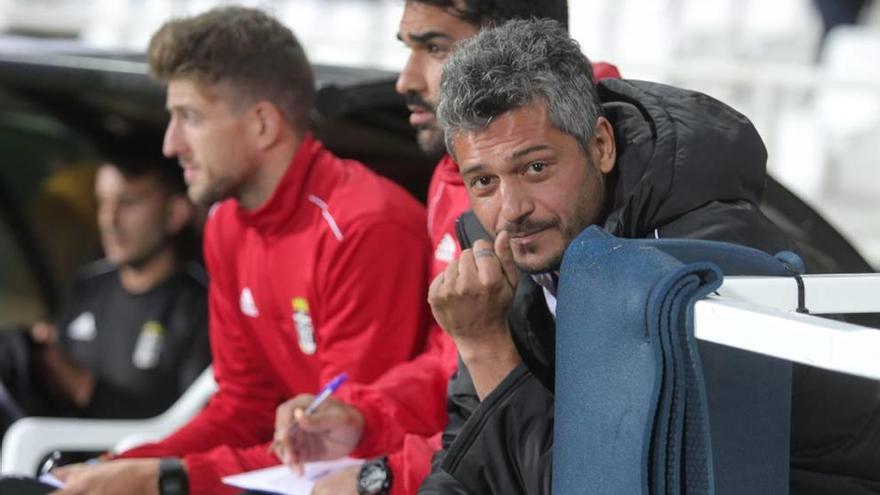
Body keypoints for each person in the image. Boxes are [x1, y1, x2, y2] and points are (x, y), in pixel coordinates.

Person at [425, 18, 880, 494]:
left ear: (600, 145)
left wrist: (486, 349)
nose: (511, 209)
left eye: (536, 167)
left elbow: (599, 483)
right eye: (484, 182)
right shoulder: (513, 248)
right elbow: (467, 457)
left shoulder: (702, 260)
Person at [51, 7, 432, 495]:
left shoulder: (362, 225)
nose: (171, 144)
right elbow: (243, 408)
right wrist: (118, 464)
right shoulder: (226, 223)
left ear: (262, 126)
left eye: (189, 117)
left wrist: (159, 478)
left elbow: (343, 450)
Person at [271, 2, 620, 494]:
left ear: (510, 50)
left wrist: (387, 476)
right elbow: (452, 366)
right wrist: (364, 418)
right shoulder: (450, 176)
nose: (405, 79)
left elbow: (577, 466)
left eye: (434, 47)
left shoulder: (614, 192)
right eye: (484, 181)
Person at [0, 141, 209, 433]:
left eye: (128, 203)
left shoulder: (200, 306)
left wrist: (79, 383)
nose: (109, 220)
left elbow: (193, 426)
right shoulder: (88, 285)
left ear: (175, 214)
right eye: (102, 203)